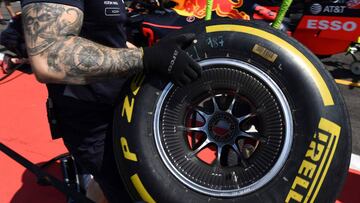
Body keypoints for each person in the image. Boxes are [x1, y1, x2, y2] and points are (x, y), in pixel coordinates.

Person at [18, 0, 202, 202]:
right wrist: (145, 58)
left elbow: (110, 40)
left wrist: (156, 53)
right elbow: (48, 56)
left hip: (125, 109)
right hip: (93, 123)